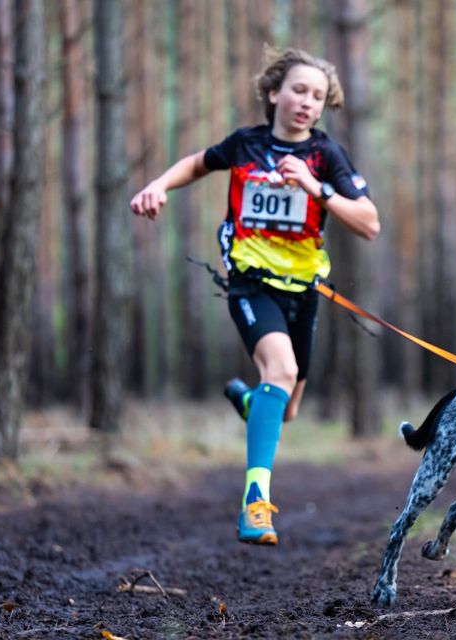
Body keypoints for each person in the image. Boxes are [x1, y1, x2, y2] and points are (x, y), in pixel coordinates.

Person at [129, 48, 380, 545]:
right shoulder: (245, 145)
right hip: (250, 283)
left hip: (303, 291)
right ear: (273, 94)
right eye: (298, 90)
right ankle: (255, 505)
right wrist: (158, 185)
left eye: (317, 95)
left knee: (284, 406)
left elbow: (370, 223)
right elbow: (198, 164)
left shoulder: (325, 156)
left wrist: (314, 186)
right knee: (281, 373)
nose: (307, 102)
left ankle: (251, 404)